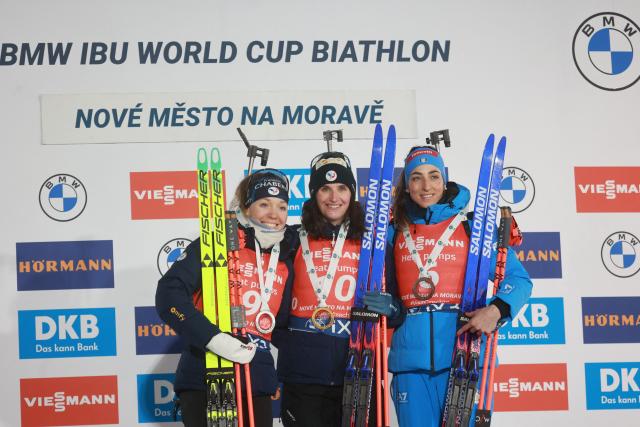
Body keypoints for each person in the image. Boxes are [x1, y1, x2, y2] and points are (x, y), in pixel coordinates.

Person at [363, 146, 533, 426]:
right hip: (410, 365)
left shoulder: (470, 228)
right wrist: (391, 307)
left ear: (444, 179)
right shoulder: (394, 231)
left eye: (433, 176)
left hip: (465, 357)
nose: (426, 185)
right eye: (416, 177)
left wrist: (495, 311)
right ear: (406, 186)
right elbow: (393, 299)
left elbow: (518, 279)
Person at [156, 169, 297, 427]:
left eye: (282, 206)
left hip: (256, 382)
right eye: (263, 204)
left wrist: (268, 370)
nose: (274, 214)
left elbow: (283, 326)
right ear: (246, 208)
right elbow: (169, 295)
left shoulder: (285, 260)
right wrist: (213, 338)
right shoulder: (216, 244)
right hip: (205, 372)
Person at [274, 151, 367, 426]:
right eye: (325, 188)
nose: (334, 197)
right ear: (314, 194)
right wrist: (294, 344)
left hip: (358, 372)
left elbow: (396, 311)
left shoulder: (369, 242)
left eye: (341, 188)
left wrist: (391, 308)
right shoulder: (291, 239)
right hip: (303, 378)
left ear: (352, 193)